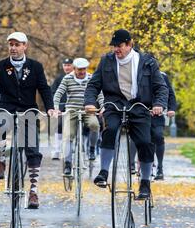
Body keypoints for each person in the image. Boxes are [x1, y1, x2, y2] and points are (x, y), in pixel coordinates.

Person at [84, 29, 168, 200]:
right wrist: (90, 102)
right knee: (110, 129)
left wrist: (159, 104)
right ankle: (104, 171)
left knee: (145, 141)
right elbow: (94, 84)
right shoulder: (106, 61)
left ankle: (145, 183)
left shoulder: (147, 62)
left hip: (140, 105)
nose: (116, 49)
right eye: (114, 46)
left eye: (120, 46)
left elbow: (161, 87)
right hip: (114, 104)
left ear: (129, 45)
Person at [0, 32, 57, 209]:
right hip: (6, 107)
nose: (13, 48)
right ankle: (1, 160)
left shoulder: (35, 66)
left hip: (28, 110)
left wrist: (50, 107)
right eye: (11, 44)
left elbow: (44, 88)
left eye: (17, 44)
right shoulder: (0, 66)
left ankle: (33, 191)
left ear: (25, 46)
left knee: (32, 150)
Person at [53, 58, 102, 175]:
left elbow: (99, 94)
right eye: (79, 70)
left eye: (84, 69)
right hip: (71, 110)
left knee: (95, 125)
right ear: (74, 69)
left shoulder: (91, 78)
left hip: (88, 109)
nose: (82, 72)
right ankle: (68, 164)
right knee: (68, 136)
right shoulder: (67, 78)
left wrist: (103, 107)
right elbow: (58, 93)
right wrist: (55, 108)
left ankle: (91, 149)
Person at [50, 58, 73, 160]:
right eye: (65, 65)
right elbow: (53, 92)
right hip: (61, 107)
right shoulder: (59, 78)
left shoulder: (76, 76)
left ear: (73, 66)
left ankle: (79, 148)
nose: (67, 67)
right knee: (59, 126)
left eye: (69, 65)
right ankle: (57, 150)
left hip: (74, 106)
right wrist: (55, 106)